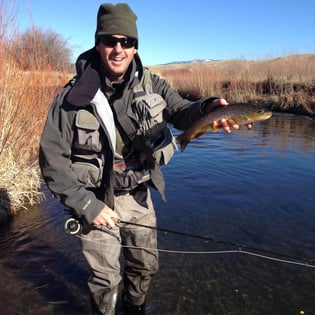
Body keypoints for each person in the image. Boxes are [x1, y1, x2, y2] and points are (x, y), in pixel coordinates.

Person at [39, 3, 251, 314]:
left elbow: (181, 111)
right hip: (96, 199)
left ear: (135, 47)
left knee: (144, 267)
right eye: (110, 40)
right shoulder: (71, 98)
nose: (118, 49)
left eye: (126, 42)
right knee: (105, 279)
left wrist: (209, 109)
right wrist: (87, 205)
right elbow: (51, 159)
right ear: (98, 44)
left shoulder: (152, 84)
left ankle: (135, 309)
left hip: (138, 195)